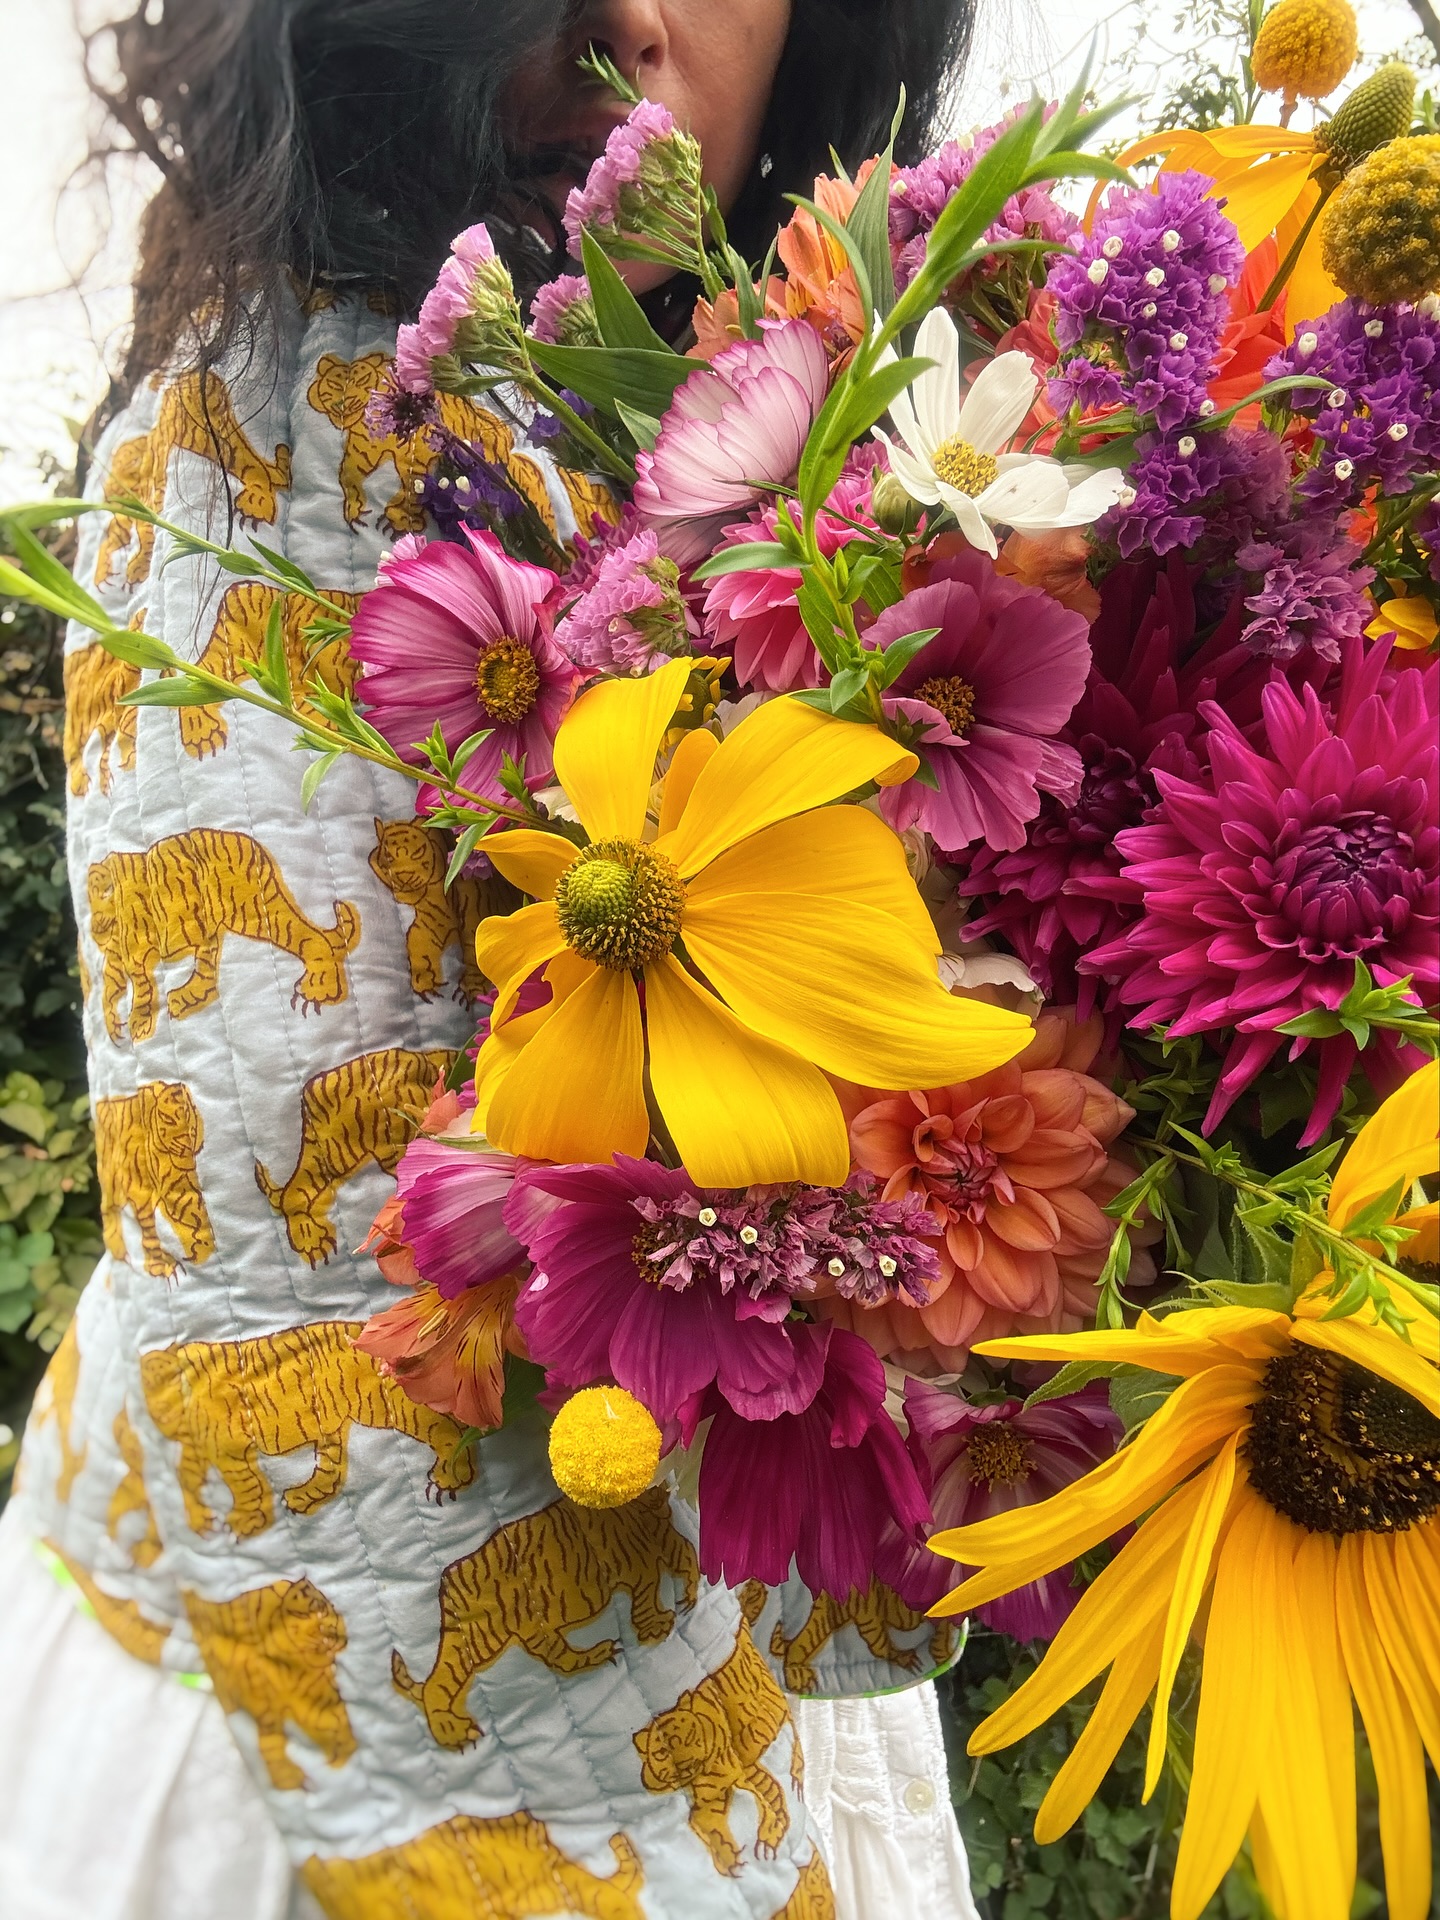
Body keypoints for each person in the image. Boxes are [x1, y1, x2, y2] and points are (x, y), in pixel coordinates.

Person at [0, 5, 983, 1917]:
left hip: (689, 1605)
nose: (624, 12)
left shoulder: (743, 397)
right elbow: (314, 1301)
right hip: (427, 1742)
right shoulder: (280, 420)